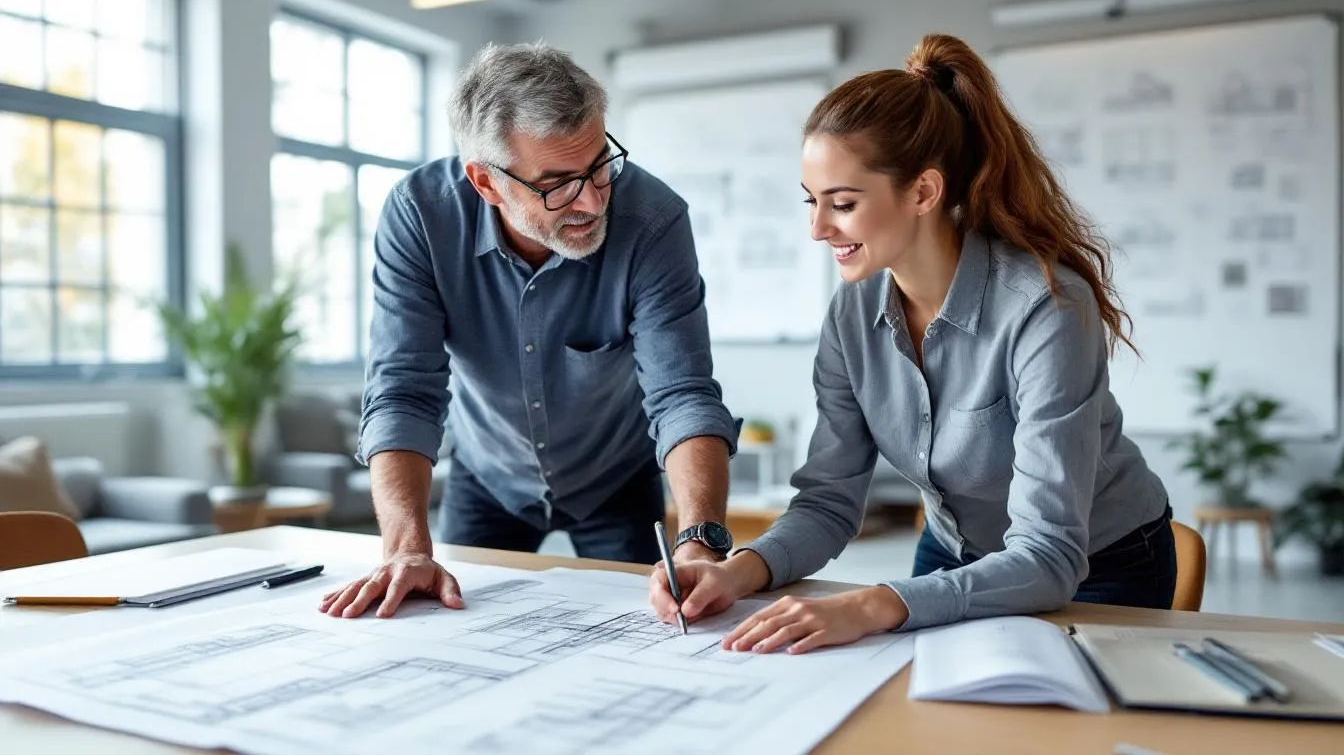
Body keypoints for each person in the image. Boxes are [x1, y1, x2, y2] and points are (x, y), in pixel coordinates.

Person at [649, 33, 1176, 653]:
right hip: (956, 551)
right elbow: (828, 503)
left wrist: (876, 601)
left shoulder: (1045, 308)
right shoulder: (851, 314)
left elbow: (1048, 554)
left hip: (1098, 565)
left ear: (924, 192)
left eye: (842, 203)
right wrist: (736, 571)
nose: (817, 229)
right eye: (811, 202)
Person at [321, 42, 740, 620]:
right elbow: (404, 390)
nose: (592, 201)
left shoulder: (653, 219)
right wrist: (404, 547)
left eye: (600, 165)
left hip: (615, 476)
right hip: (486, 473)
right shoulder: (421, 215)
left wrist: (701, 538)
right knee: (445, 632)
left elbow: (682, 394)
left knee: (664, 624)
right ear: (486, 183)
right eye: (557, 183)